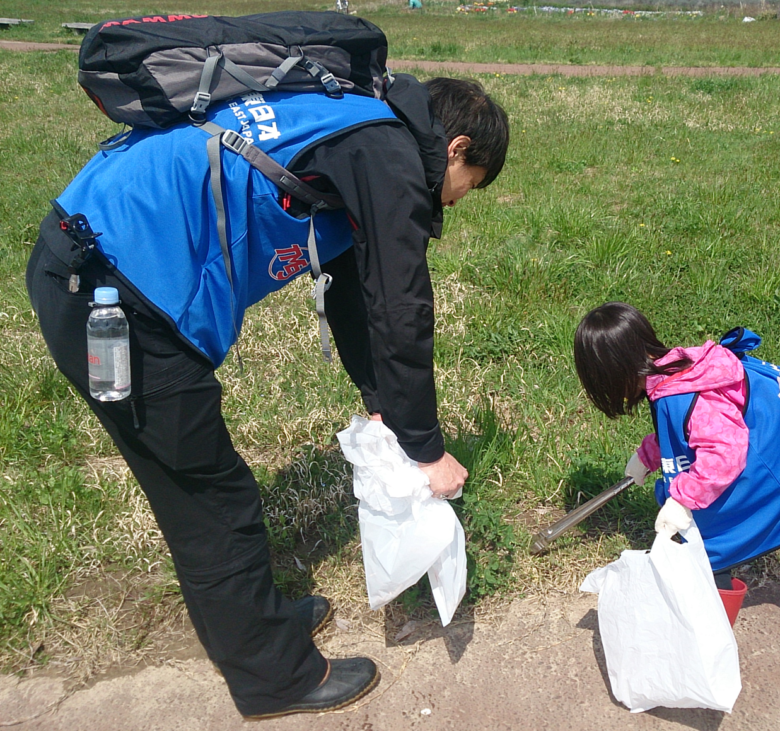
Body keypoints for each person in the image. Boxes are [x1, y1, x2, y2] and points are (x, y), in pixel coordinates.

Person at [25, 75, 508, 718]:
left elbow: (350, 290)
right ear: (457, 148)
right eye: (469, 186)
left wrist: (382, 401)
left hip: (97, 255)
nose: (458, 201)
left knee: (212, 492)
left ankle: (261, 621)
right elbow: (400, 308)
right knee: (211, 502)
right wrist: (425, 448)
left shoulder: (350, 123)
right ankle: (275, 678)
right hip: (113, 299)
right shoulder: (390, 159)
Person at [573, 302, 780, 590]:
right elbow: (683, 433)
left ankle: (715, 599)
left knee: (711, 542)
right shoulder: (668, 373)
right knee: (701, 515)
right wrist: (648, 455)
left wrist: (684, 500)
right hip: (765, 430)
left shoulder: (684, 394)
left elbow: (723, 455)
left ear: (611, 372)